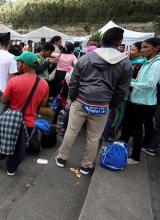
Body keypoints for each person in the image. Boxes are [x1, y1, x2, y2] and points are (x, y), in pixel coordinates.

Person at [55, 27, 133, 175]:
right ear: (120, 42)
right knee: (93, 137)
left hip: (81, 101)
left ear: (102, 41)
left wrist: (73, 98)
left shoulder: (86, 58)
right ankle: (86, 165)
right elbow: (121, 90)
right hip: (102, 105)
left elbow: (74, 82)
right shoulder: (125, 63)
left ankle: (61, 158)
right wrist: (112, 105)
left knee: (71, 131)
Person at [0, 52, 49, 175]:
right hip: (29, 123)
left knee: (5, 140)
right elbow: (44, 103)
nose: (18, 65)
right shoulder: (44, 84)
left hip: (12, 121)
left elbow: (3, 100)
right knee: (20, 147)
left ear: (25, 65)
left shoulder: (14, 81)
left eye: (19, 63)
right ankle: (11, 168)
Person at [119, 38, 160, 164]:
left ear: (156, 48)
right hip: (134, 99)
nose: (142, 50)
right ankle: (120, 148)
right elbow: (139, 80)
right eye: (141, 47)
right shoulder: (146, 62)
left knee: (137, 130)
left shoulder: (157, 63)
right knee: (126, 126)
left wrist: (131, 83)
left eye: (145, 47)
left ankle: (135, 156)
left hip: (144, 103)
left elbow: (151, 84)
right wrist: (131, 81)